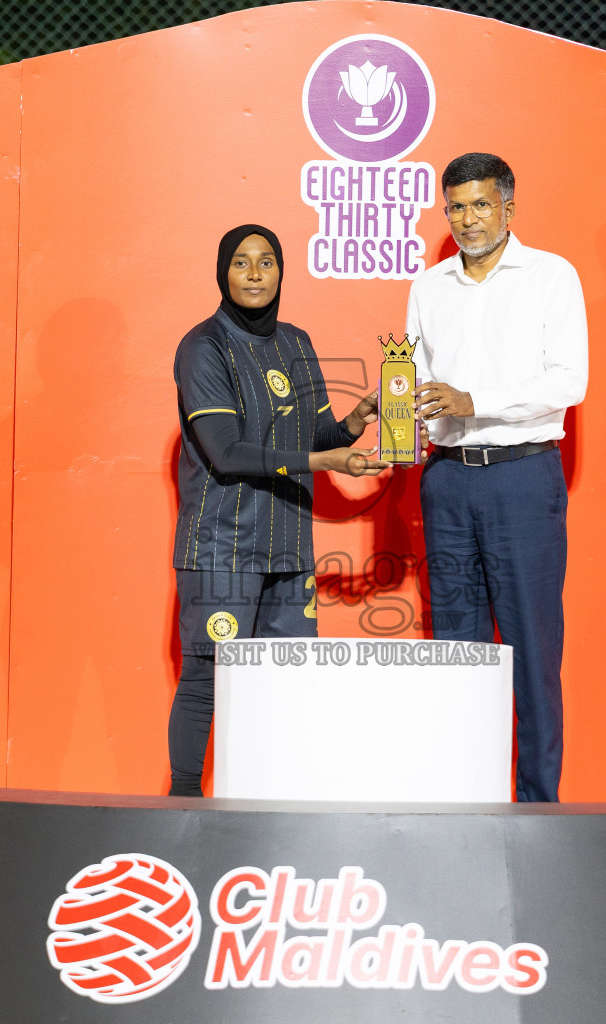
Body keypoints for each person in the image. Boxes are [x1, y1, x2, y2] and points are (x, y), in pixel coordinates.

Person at [168, 224, 388, 797]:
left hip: (288, 549)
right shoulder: (203, 346)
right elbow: (227, 450)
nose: (256, 273)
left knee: (288, 684)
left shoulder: (296, 342)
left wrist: (356, 422)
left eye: (267, 261)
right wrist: (326, 458)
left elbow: (317, 434)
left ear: (282, 272)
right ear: (223, 273)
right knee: (207, 679)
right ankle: (181, 807)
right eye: (241, 263)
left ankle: (273, 808)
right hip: (222, 547)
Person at [407, 153, 588, 802]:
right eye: (456, 206)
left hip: (521, 477)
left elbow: (569, 381)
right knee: (454, 650)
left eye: (481, 204)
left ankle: (539, 810)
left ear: (508, 207)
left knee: (532, 651)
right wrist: (391, 421)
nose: (467, 218)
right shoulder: (427, 288)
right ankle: (462, 803)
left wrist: (472, 399)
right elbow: (417, 390)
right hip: (447, 481)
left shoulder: (550, 277)